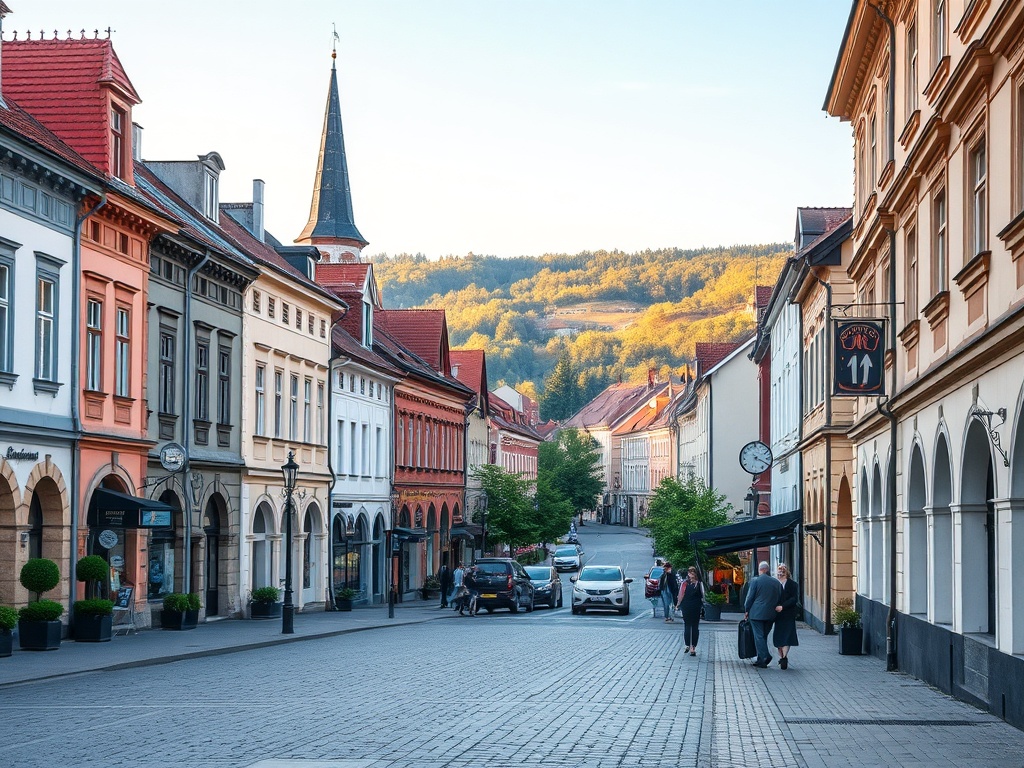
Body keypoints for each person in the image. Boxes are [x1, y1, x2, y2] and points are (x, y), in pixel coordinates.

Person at [744, 561, 783, 668]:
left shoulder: (755, 581)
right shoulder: (776, 583)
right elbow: (780, 598)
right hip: (771, 614)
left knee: (759, 636)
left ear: (760, 569)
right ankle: (761, 660)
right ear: (768, 569)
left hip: (756, 614)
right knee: (763, 636)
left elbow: (749, 598)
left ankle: (766, 656)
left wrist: (746, 610)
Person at [773, 563, 800, 669]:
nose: (781, 571)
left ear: (787, 572)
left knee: (787, 637)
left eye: (783, 569)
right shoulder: (775, 584)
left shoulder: (793, 584)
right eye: (779, 569)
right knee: (778, 638)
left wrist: (783, 606)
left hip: (788, 614)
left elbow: (794, 599)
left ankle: (784, 657)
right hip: (777, 616)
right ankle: (782, 657)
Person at [676, 566, 705, 656]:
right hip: (696, 606)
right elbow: (703, 595)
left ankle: (688, 644)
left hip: (687, 606)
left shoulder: (684, 583)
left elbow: (680, 595)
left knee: (687, 625)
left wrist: (678, 604)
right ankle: (693, 646)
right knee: (695, 626)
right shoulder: (699, 583)